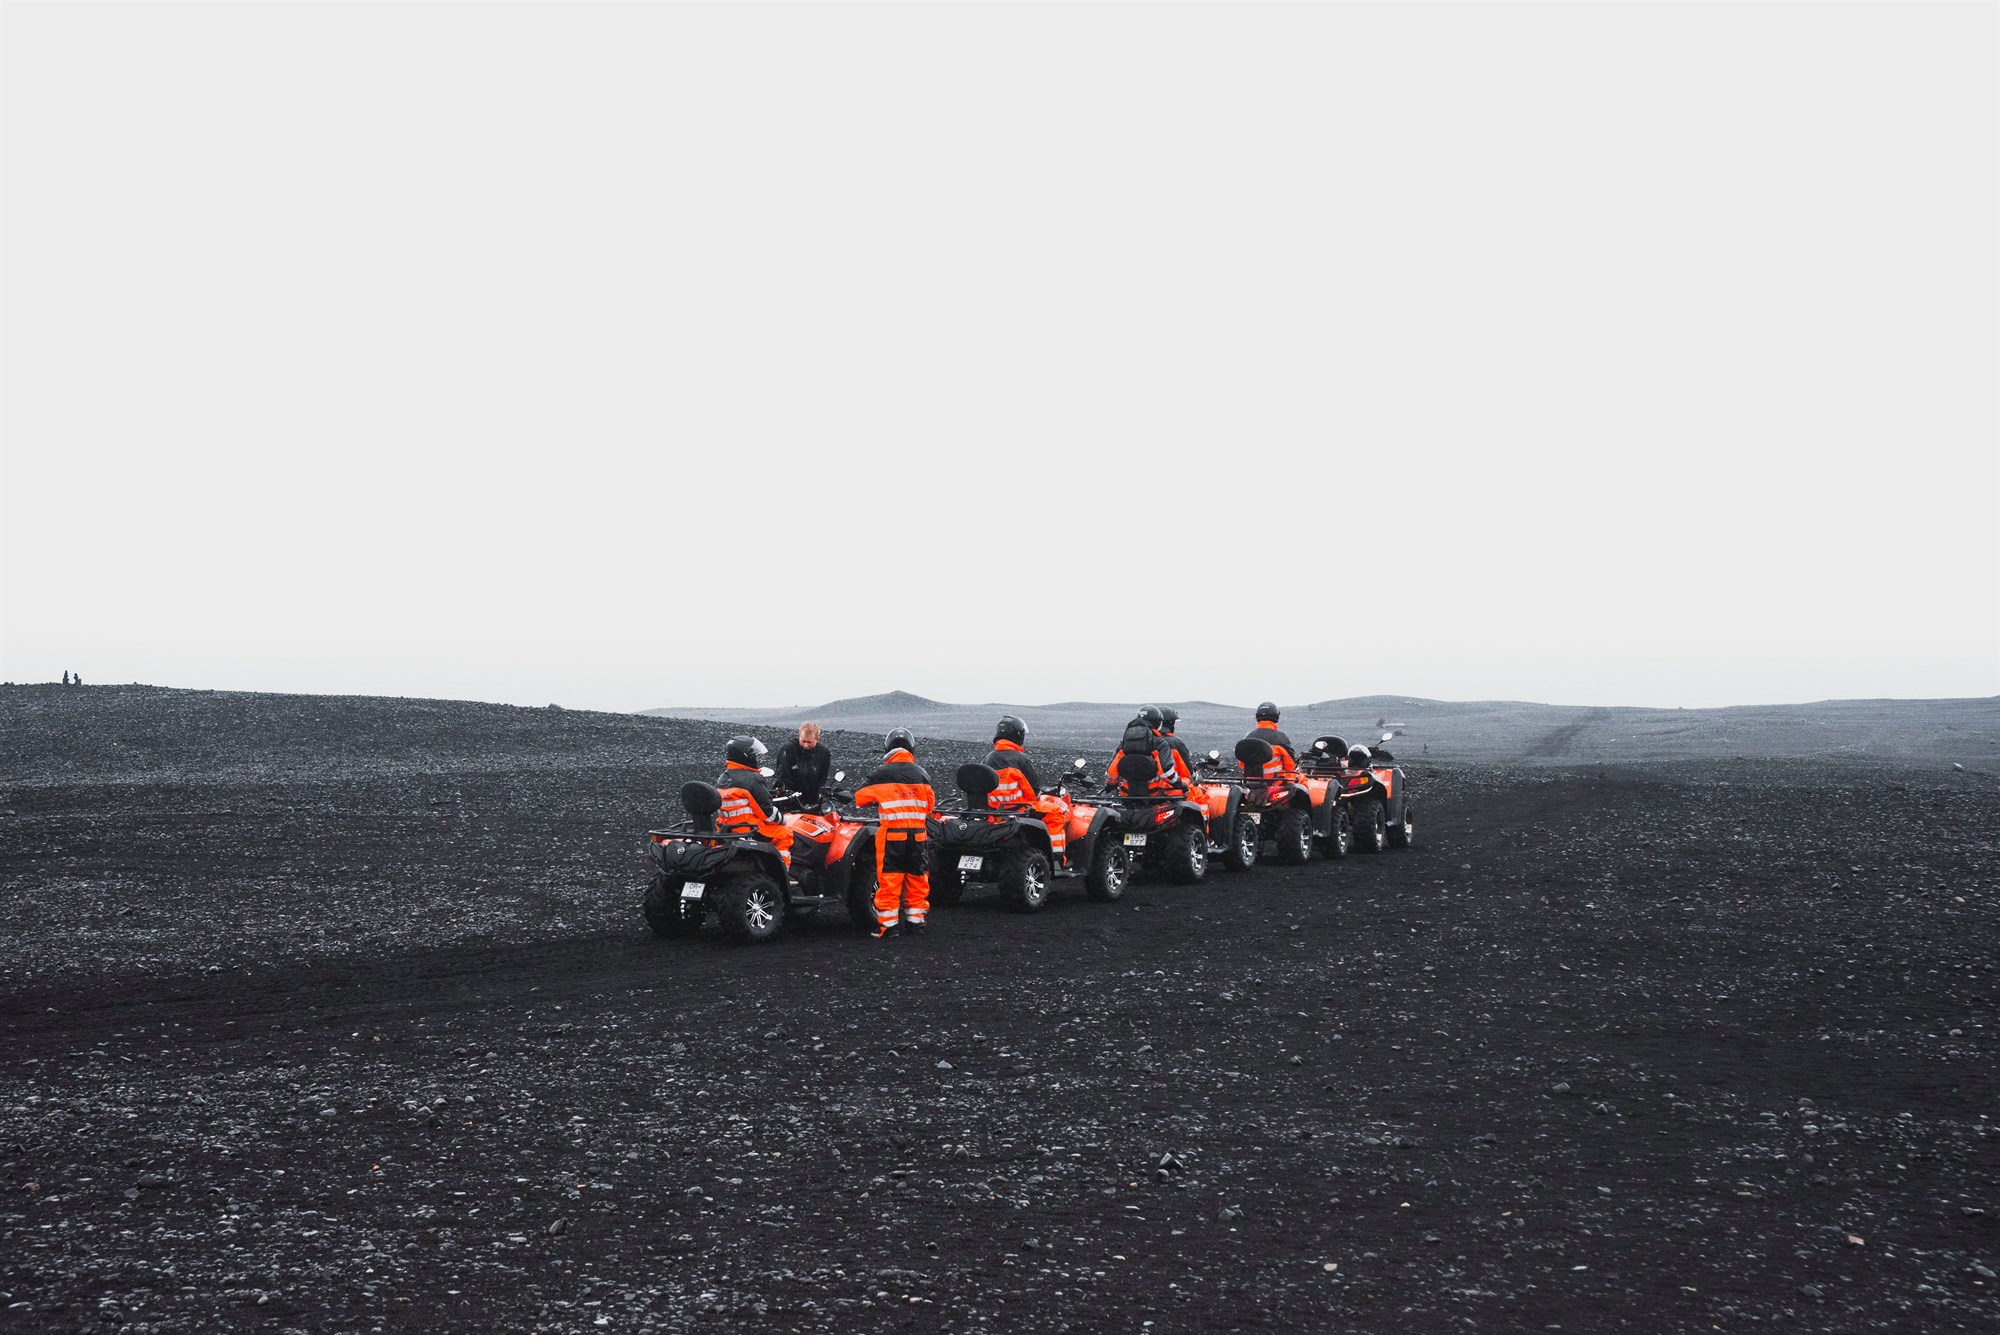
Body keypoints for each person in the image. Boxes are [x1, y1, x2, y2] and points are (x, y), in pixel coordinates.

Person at [853, 728, 937, 938]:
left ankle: (889, 927)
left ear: (888, 748)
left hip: (892, 836)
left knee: (890, 880)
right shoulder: (922, 774)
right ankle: (915, 923)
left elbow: (860, 798)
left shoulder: (881, 774)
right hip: (918, 836)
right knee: (917, 878)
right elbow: (930, 805)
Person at [986, 714, 1070, 864]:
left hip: (994, 810)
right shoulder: (1020, 759)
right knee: (1056, 813)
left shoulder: (988, 758)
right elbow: (1034, 792)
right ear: (1017, 735)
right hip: (1019, 808)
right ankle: (1056, 857)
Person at [715, 735, 793, 869]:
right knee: (785, 834)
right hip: (748, 829)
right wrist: (783, 819)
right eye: (753, 754)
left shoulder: (723, 778)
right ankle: (781, 871)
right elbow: (768, 814)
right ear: (745, 755)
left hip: (724, 828)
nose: (755, 757)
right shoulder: (753, 779)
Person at [1108, 706, 1193, 796]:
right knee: (1195, 791)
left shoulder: (1125, 743)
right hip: (1156, 795)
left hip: (1128, 794)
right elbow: (1165, 771)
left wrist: (1110, 785)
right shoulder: (1159, 743)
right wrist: (1180, 784)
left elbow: (1112, 771)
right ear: (1158, 723)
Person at [775, 722, 832, 806]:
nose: (805, 745)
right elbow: (783, 775)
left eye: (809, 742)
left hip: (811, 797)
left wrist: (819, 794)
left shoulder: (823, 753)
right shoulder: (788, 749)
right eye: (803, 741)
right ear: (799, 736)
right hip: (788, 796)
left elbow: (822, 777)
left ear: (817, 739)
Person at [1241, 701, 1297, 778]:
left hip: (1251, 782)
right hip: (1276, 783)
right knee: (1300, 778)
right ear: (1276, 716)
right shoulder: (1281, 738)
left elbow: (1241, 764)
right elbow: (1290, 766)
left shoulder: (1247, 737)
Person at [1158, 706, 1195, 777]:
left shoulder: (1142, 740)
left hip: (1138, 785)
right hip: (1169, 785)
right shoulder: (1175, 743)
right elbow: (1187, 770)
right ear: (1170, 723)